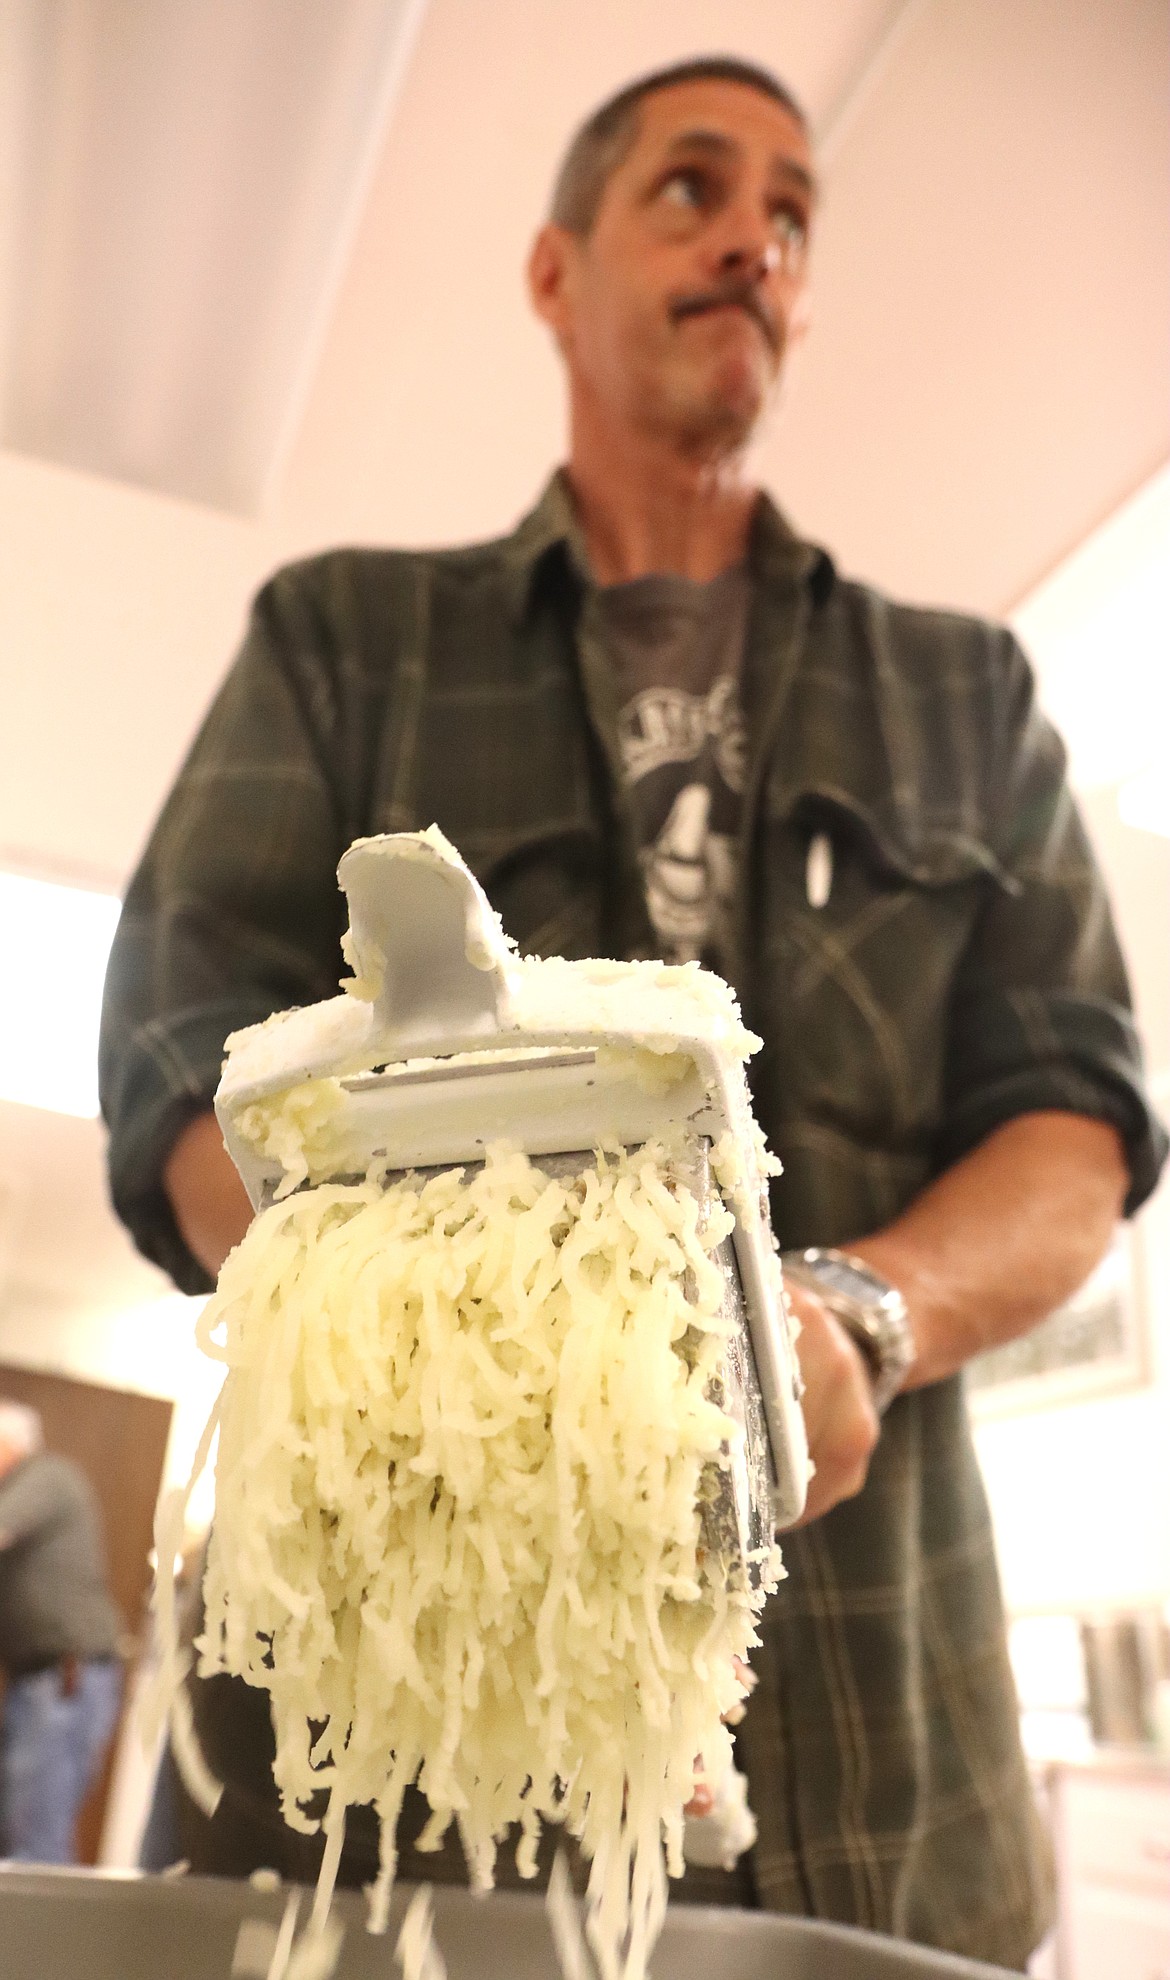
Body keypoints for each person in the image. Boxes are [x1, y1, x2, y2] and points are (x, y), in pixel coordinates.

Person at [99, 56, 1165, 1967]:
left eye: (791, 217)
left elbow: (1077, 1121)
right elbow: (180, 1043)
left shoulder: (966, 697)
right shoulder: (349, 639)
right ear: (551, 271)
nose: (754, 239)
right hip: (391, 1798)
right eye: (690, 189)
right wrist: (424, 1353)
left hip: (879, 1769)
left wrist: (866, 1309)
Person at [0, 1402, 122, 1862]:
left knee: (33, 1841)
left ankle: (32, 1937)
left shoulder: (46, 1475)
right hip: (40, 1682)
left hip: (64, 1681)